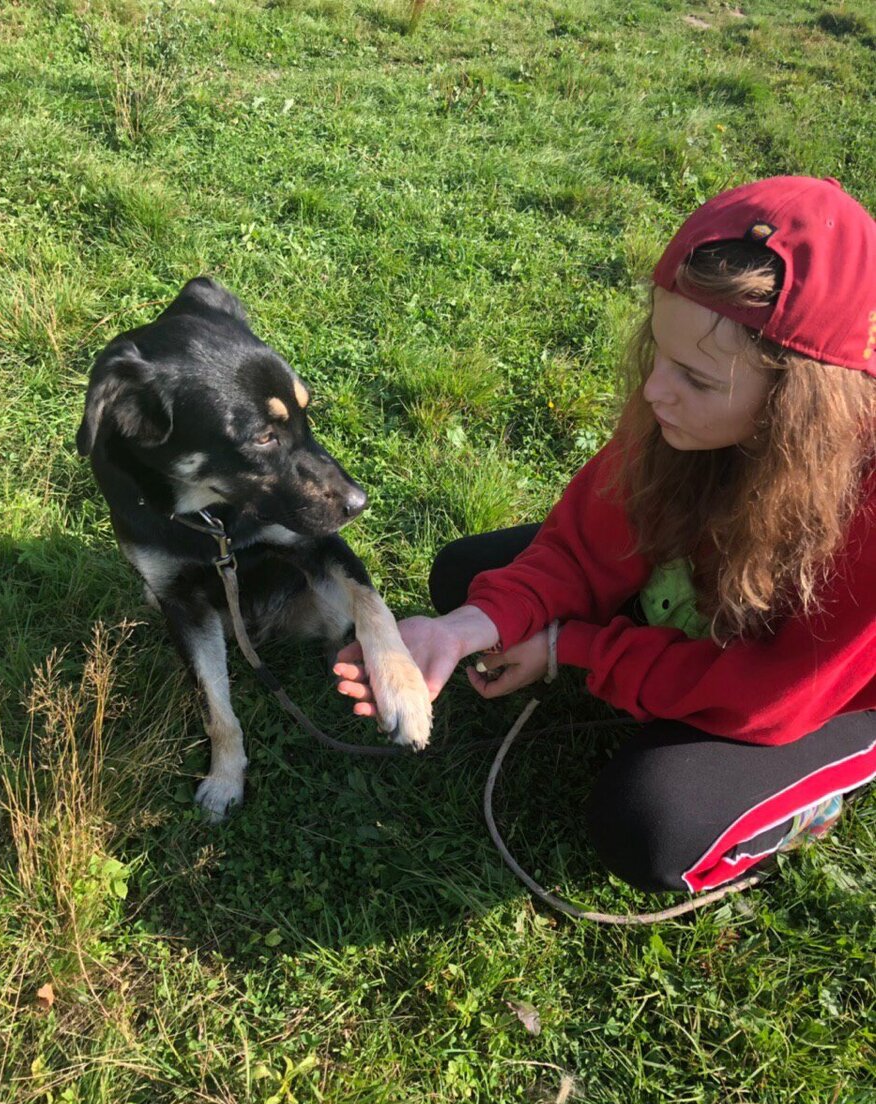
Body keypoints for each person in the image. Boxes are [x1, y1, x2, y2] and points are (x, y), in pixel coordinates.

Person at [334, 175, 876, 894]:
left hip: (822, 688)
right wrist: (469, 628)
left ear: (798, 400)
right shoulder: (676, 403)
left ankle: (824, 786)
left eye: (696, 377)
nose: (654, 391)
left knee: (651, 824)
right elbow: (586, 539)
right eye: (658, 351)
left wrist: (572, 648)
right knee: (467, 577)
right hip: (715, 606)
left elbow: (769, 695)